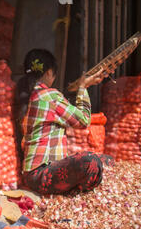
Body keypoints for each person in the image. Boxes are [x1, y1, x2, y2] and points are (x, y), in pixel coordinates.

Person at [20, 49, 114, 195]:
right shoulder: (49, 95)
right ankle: (76, 192)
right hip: (41, 175)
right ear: (49, 72)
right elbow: (83, 120)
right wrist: (83, 87)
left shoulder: (28, 94)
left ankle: (75, 189)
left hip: (35, 174)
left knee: (106, 160)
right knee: (91, 162)